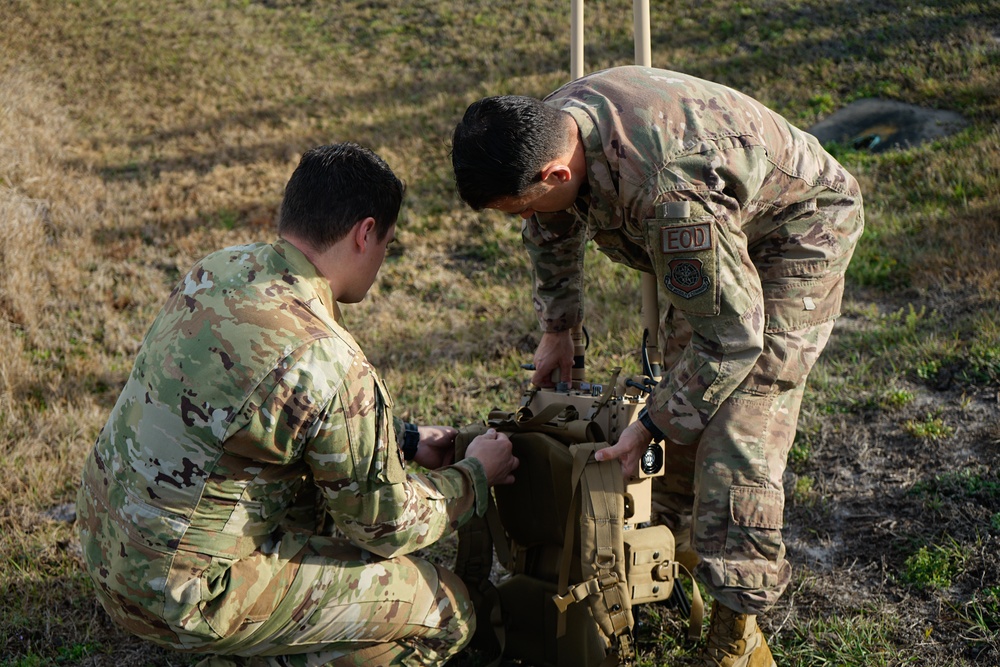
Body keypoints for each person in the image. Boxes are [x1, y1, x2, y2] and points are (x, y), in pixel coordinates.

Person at [451, 66, 864, 667]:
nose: (522, 220)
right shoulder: (550, 128)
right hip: (719, 216)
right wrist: (558, 326)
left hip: (799, 228)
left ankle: (735, 632)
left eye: (519, 206)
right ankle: (671, 558)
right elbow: (549, 224)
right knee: (683, 392)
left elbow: (734, 340)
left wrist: (652, 423)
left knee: (739, 422)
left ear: (556, 172)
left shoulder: (670, 196)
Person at [76, 142, 519, 667]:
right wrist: (475, 477)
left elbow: (272, 411)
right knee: (448, 611)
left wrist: (403, 439)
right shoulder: (328, 358)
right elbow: (384, 524)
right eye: (388, 245)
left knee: (317, 504)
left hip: (106, 551)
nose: (382, 260)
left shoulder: (217, 269)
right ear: (365, 233)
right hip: (185, 599)